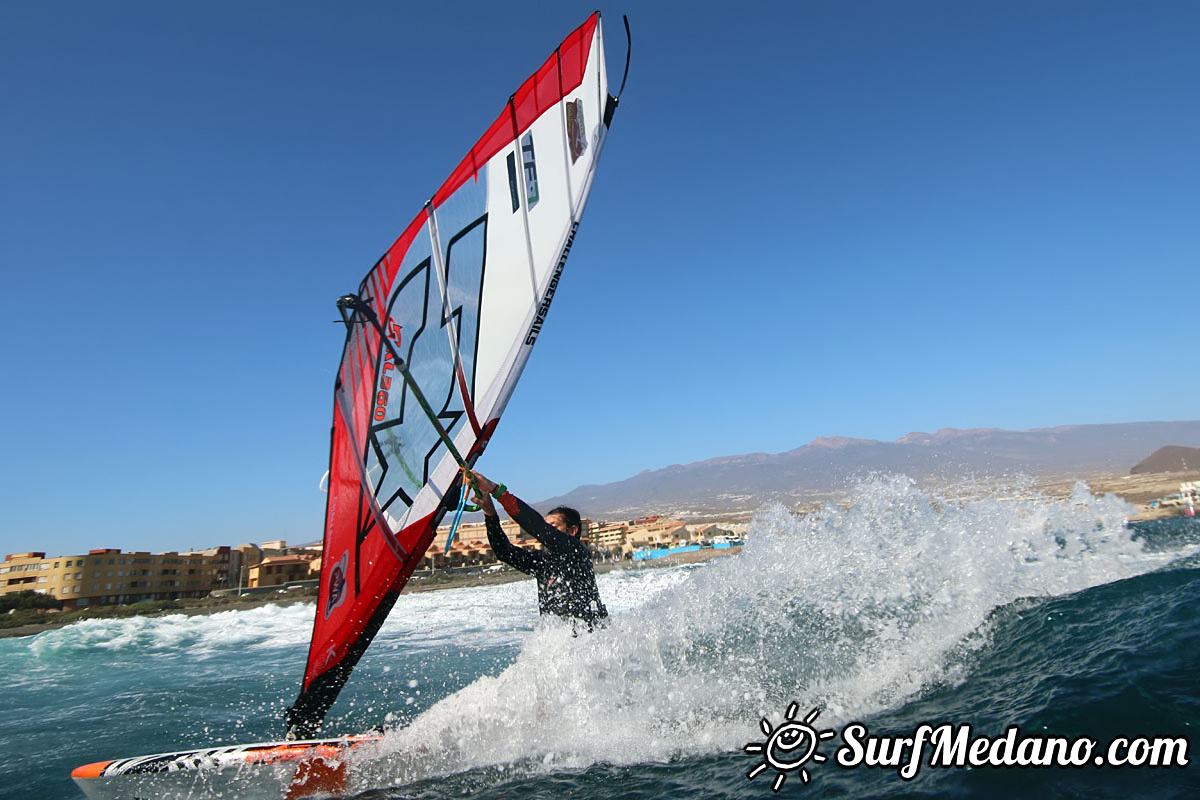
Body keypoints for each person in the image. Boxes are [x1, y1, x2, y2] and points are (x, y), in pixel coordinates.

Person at [467, 470, 607, 629]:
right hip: (559, 644)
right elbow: (504, 552)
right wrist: (490, 514)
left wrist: (495, 490)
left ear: (572, 531)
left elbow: (538, 528)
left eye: (553, 526)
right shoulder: (544, 563)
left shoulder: (578, 553)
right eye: (547, 526)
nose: (548, 531)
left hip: (591, 640)